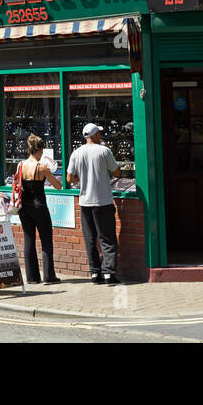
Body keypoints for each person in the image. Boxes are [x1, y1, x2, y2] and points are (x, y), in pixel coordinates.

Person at [67, 122, 121, 285]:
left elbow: (69, 178)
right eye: (99, 133)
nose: (101, 136)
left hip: (85, 202)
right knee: (107, 238)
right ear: (95, 135)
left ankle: (94, 274)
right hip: (103, 201)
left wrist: (82, 179)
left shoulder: (76, 153)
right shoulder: (104, 151)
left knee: (90, 239)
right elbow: (117, 171)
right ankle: (109, 274)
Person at [17, 134, 62, 285]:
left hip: (24, 207)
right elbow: (58, 185)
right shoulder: (41, 168)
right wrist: (49, 171)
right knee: (46, 240)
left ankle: (32, 277)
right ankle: (49, 277)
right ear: (40, 150)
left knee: (28, 239)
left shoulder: (20, 165)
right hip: (39, 206)